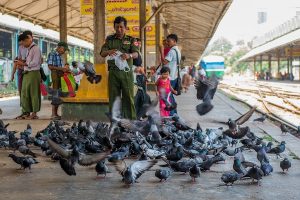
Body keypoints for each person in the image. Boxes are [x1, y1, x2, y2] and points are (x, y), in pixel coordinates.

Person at [100, 16, 139, 120]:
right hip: (113, 73)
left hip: (126, 73)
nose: (119, 29)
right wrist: (109, 51)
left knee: (128, 97)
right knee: (113, 98)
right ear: (114, 27)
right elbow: (102, 53)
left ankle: (130, 122)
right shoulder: (109, 39)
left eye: (121, 27)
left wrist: (129, 55)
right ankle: (115, 122)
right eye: (117, 27)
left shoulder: (131, 39)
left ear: (125, 27)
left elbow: (136, 54)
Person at [15, 32, 42, 119]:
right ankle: (26, 112)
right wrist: (22, 63)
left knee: (34, 93)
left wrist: (23, 63)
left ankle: (34, 113)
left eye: (23, 43)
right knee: (24, 93)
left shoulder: (36, 49)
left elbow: (35, 62)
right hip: (26, 73)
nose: (23, 45)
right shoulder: (29, 49)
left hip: (34, 73)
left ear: (27, 40)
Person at [47, 41, 69, 120]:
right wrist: (62, 69)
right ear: (59, 47)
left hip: (59, 74)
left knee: (58, 93)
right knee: (55, 93)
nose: (64, 51)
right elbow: (50, 66)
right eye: (64, 49)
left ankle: (56, 113)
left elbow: (60, 67)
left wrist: (65, 70)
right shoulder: (52, 54)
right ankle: (53, 114)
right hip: (55, 74)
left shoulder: (60, 56)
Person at [160, 34, 181, 115]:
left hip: (170, 77)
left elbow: (164, 62)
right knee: (169, 96)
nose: (167, 43)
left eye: (169, 41)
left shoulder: (172, 51)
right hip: (174, 76)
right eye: (167, 41)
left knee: (167, 97)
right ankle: (174, 113)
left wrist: (161, 51)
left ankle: (172, 114)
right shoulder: (177, 50)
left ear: (174, 41)